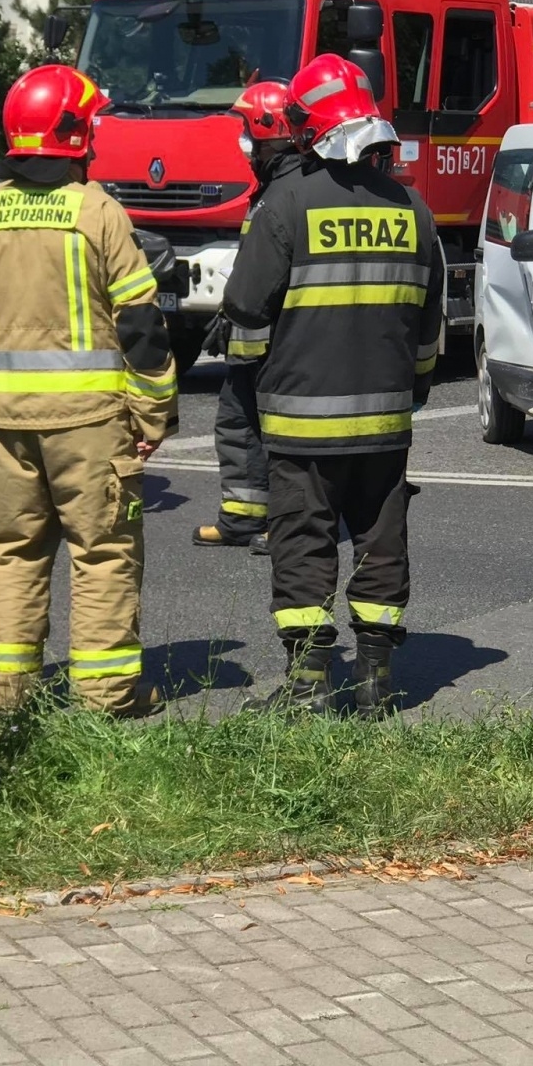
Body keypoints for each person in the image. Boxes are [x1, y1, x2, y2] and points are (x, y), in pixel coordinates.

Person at [0, 64, 178, 717]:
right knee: (102, 554)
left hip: (1, 423)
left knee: (12, 552)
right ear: (76, 135)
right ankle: (105, 697)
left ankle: (7, 696)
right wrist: (153, 416)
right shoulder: (98, 213)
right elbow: (142, 326)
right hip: (90, 424)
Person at [222, 54, 444, 717]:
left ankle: (307, 686)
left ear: (307, 128)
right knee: (381, 545)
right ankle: (376, 682)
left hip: (299, 422)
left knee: (303, 544)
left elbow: (244, 309)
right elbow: (430, 331)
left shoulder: (284, 204)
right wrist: (413, 391)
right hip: (384, 427)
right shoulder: (413, 209)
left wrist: (260, 385)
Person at [192, 81, 299, 554]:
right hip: (247, 338)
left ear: (268, 129)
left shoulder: (289, 190)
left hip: (279, 342)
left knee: (280, 435)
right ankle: (240, 517)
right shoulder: (267, 187)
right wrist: (227, 315)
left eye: (247, 132)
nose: (244, 144)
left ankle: (287, 524)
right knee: (235, 424)